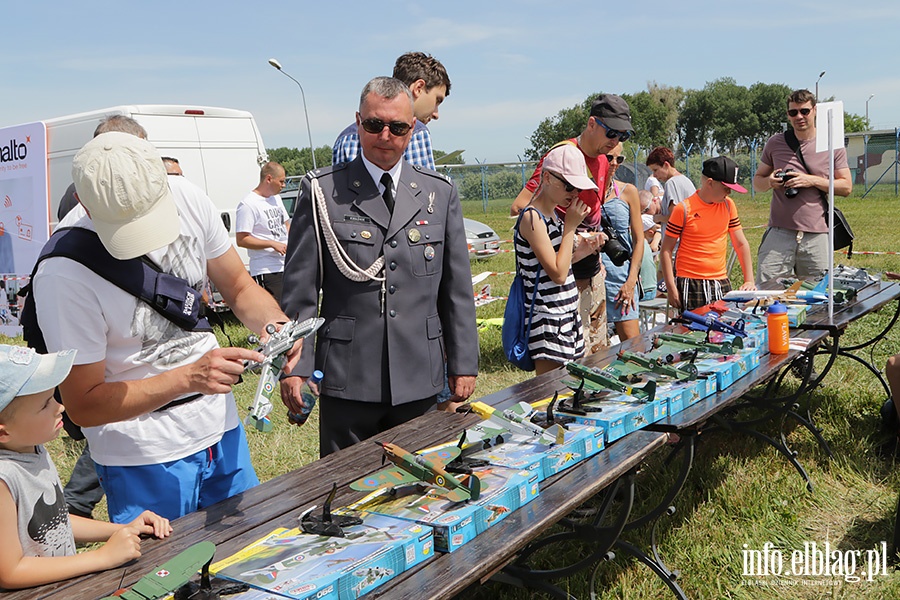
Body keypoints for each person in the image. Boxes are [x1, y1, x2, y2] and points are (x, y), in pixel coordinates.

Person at [33, 131, 301, 524]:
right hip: (143, 456)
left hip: (222, 432)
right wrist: (189, 377)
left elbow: (241, 288)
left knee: (248, 557)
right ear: (85, 206)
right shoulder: (63, 272)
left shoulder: (188, 197)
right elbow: (84, 404)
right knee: (169, 580)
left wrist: (274, 326)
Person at [282, 77, 479, 457]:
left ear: (412, 130)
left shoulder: (439, 193)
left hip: (420, 372)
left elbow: (456, 291)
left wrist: (464, 362)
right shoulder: (324, 192)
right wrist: (295, 366)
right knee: (347, 493)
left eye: (398, 127)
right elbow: (300, 291)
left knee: (421, 487)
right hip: (348, 375)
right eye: (374, 125)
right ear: (358, 123)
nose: (385, 135)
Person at [0, 345, 172, 589]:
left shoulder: (32, 448)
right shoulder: (4, 478)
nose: (59, 407)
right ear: (3, 433)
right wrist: (100, 557)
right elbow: (10, 572)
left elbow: (54, 522)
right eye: (44, 404)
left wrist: (122, 528)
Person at [510, 94, 634, 354]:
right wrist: (572, 235)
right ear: (591, 124)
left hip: (592, 272)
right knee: (570, 365)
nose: (615, 143)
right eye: (611, 133)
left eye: (623, 137)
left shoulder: (603, 161)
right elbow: (521, 206)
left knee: (599, 353)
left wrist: (595, 244)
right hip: (561, 281)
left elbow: (594, 214)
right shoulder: (563, 157)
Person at [753, 89, 853, 283]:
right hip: (779, 232)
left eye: (805, 111)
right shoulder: (775, 142)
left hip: (816, 235)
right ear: (788, 115)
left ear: (815, 110)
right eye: (793, 112)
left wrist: (810, 180)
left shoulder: (831, 144)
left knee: (817, 297)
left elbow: (846, 187)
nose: (799, 116)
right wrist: (770, 182)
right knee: (767, 293)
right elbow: (757, 182)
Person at [514, 144, 595, 375]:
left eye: (578, 187)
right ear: (547, 177)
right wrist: (571, 225)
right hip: (549, 321)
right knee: (551, 392)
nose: (574, 193)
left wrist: (587, 248)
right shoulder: (532, 218)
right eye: (569, 185)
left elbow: (562, 262)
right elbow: (558, 274)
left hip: (567, 314)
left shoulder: (553, 216)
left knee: (570, 391)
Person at [660, 156, 756, 311]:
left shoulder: (728, 206)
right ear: (710, 183)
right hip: (691, 283)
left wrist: (749, 280)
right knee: (694, 331)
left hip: (720, 281)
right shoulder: (683, 209)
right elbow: (666, 250)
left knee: (723, 330)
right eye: (726, 188)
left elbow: (740, 243)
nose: (729, 192)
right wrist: (671, 288)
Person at [333, 52, 450, 170]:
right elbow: (424, 187)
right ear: (418, 88)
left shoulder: (345, 138)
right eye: (437, 100)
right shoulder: (418, 133)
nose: (436, 114)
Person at [599, 144, 644, 341]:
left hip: (620, 277)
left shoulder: (628, 192)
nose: (615, 164)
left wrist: (631, 279)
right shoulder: (581, 190)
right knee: (594, 347)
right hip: (590, 275)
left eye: (620, 159)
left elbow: (639, 239)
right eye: (610, 158)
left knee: (632, 343)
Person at [235, 162, 290, 303]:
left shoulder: (276, 199)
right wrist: (272, 244)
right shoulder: (248, 204)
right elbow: (242, 239)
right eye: (281, 181)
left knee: (290, 311)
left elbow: (286, 224)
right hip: (266, 269)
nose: (284, 185)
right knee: (275, 314)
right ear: (269, 179)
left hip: (286, 264)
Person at [645, 146, 696, 234]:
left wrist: (658, 218)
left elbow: (675, 217)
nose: (655, 175)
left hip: (677, 243)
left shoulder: (671, 183)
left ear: (666, 165)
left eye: (655, 170)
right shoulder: (686, 180)